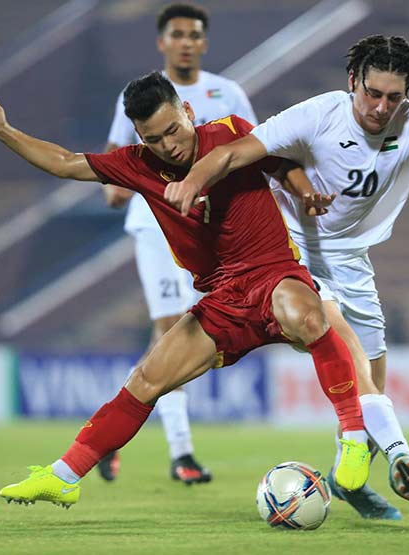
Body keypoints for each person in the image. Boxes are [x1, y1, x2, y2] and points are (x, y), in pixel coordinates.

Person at [164, 34, 409, 518]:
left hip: (352, 261)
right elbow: (233, 152)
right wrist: (191, 182)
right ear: (353, 81)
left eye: (394, 97)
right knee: (352, 359)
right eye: (372, 93)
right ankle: (404, 458)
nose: (380, 107)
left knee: (373, 381)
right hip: (290, 251)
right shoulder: (319, 115)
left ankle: (346, 479)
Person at [0, 72, 370, 509]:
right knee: (146, 379)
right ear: (140, 136)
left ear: (188, 112)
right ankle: (64, 476)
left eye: (173, 130)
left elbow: (283, 164)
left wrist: (306, 194)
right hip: (223, 299)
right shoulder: (137, 163)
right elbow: (65, 162)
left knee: (306, 315)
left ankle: (353, 437)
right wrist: (3, 131)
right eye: (153, 138)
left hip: (274, 273)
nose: (168, 145)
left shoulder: (231, 132)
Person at [98, 2, 258, 484]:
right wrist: (115, 187)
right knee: (172, 329)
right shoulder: (139, 97)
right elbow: (116, 156)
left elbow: (254, 147)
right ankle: (181, 452)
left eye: (194, 35)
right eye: (177, 34)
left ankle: (111, 427)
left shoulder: (227, 93)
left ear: (204, 43)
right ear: (162, 42)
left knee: (187, 335)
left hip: (212, 231)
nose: (186, 42)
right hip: (155, 225)